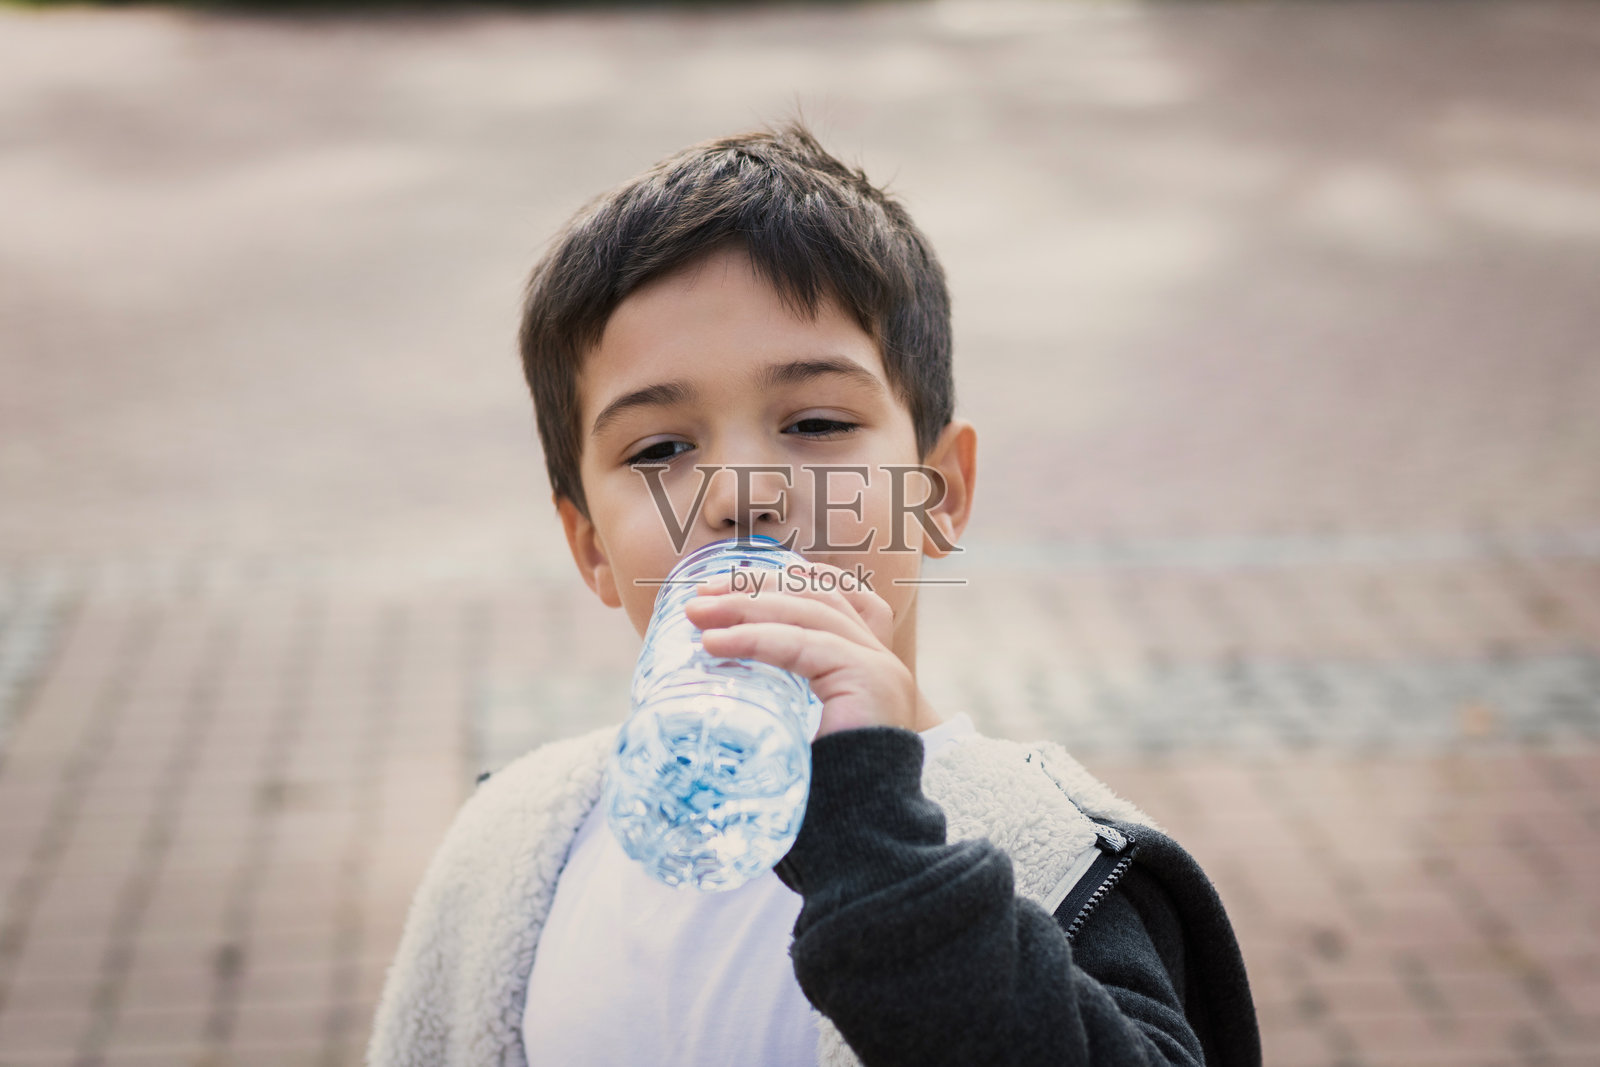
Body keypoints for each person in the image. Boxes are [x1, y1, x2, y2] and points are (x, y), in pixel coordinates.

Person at [366, 123, 1260, 1067]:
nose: (742, 492)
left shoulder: (1059, 862)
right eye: (661, 448)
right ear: (589, 544)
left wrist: (875, 844)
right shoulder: (515, 854)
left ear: (939, 492)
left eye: (818, 421)